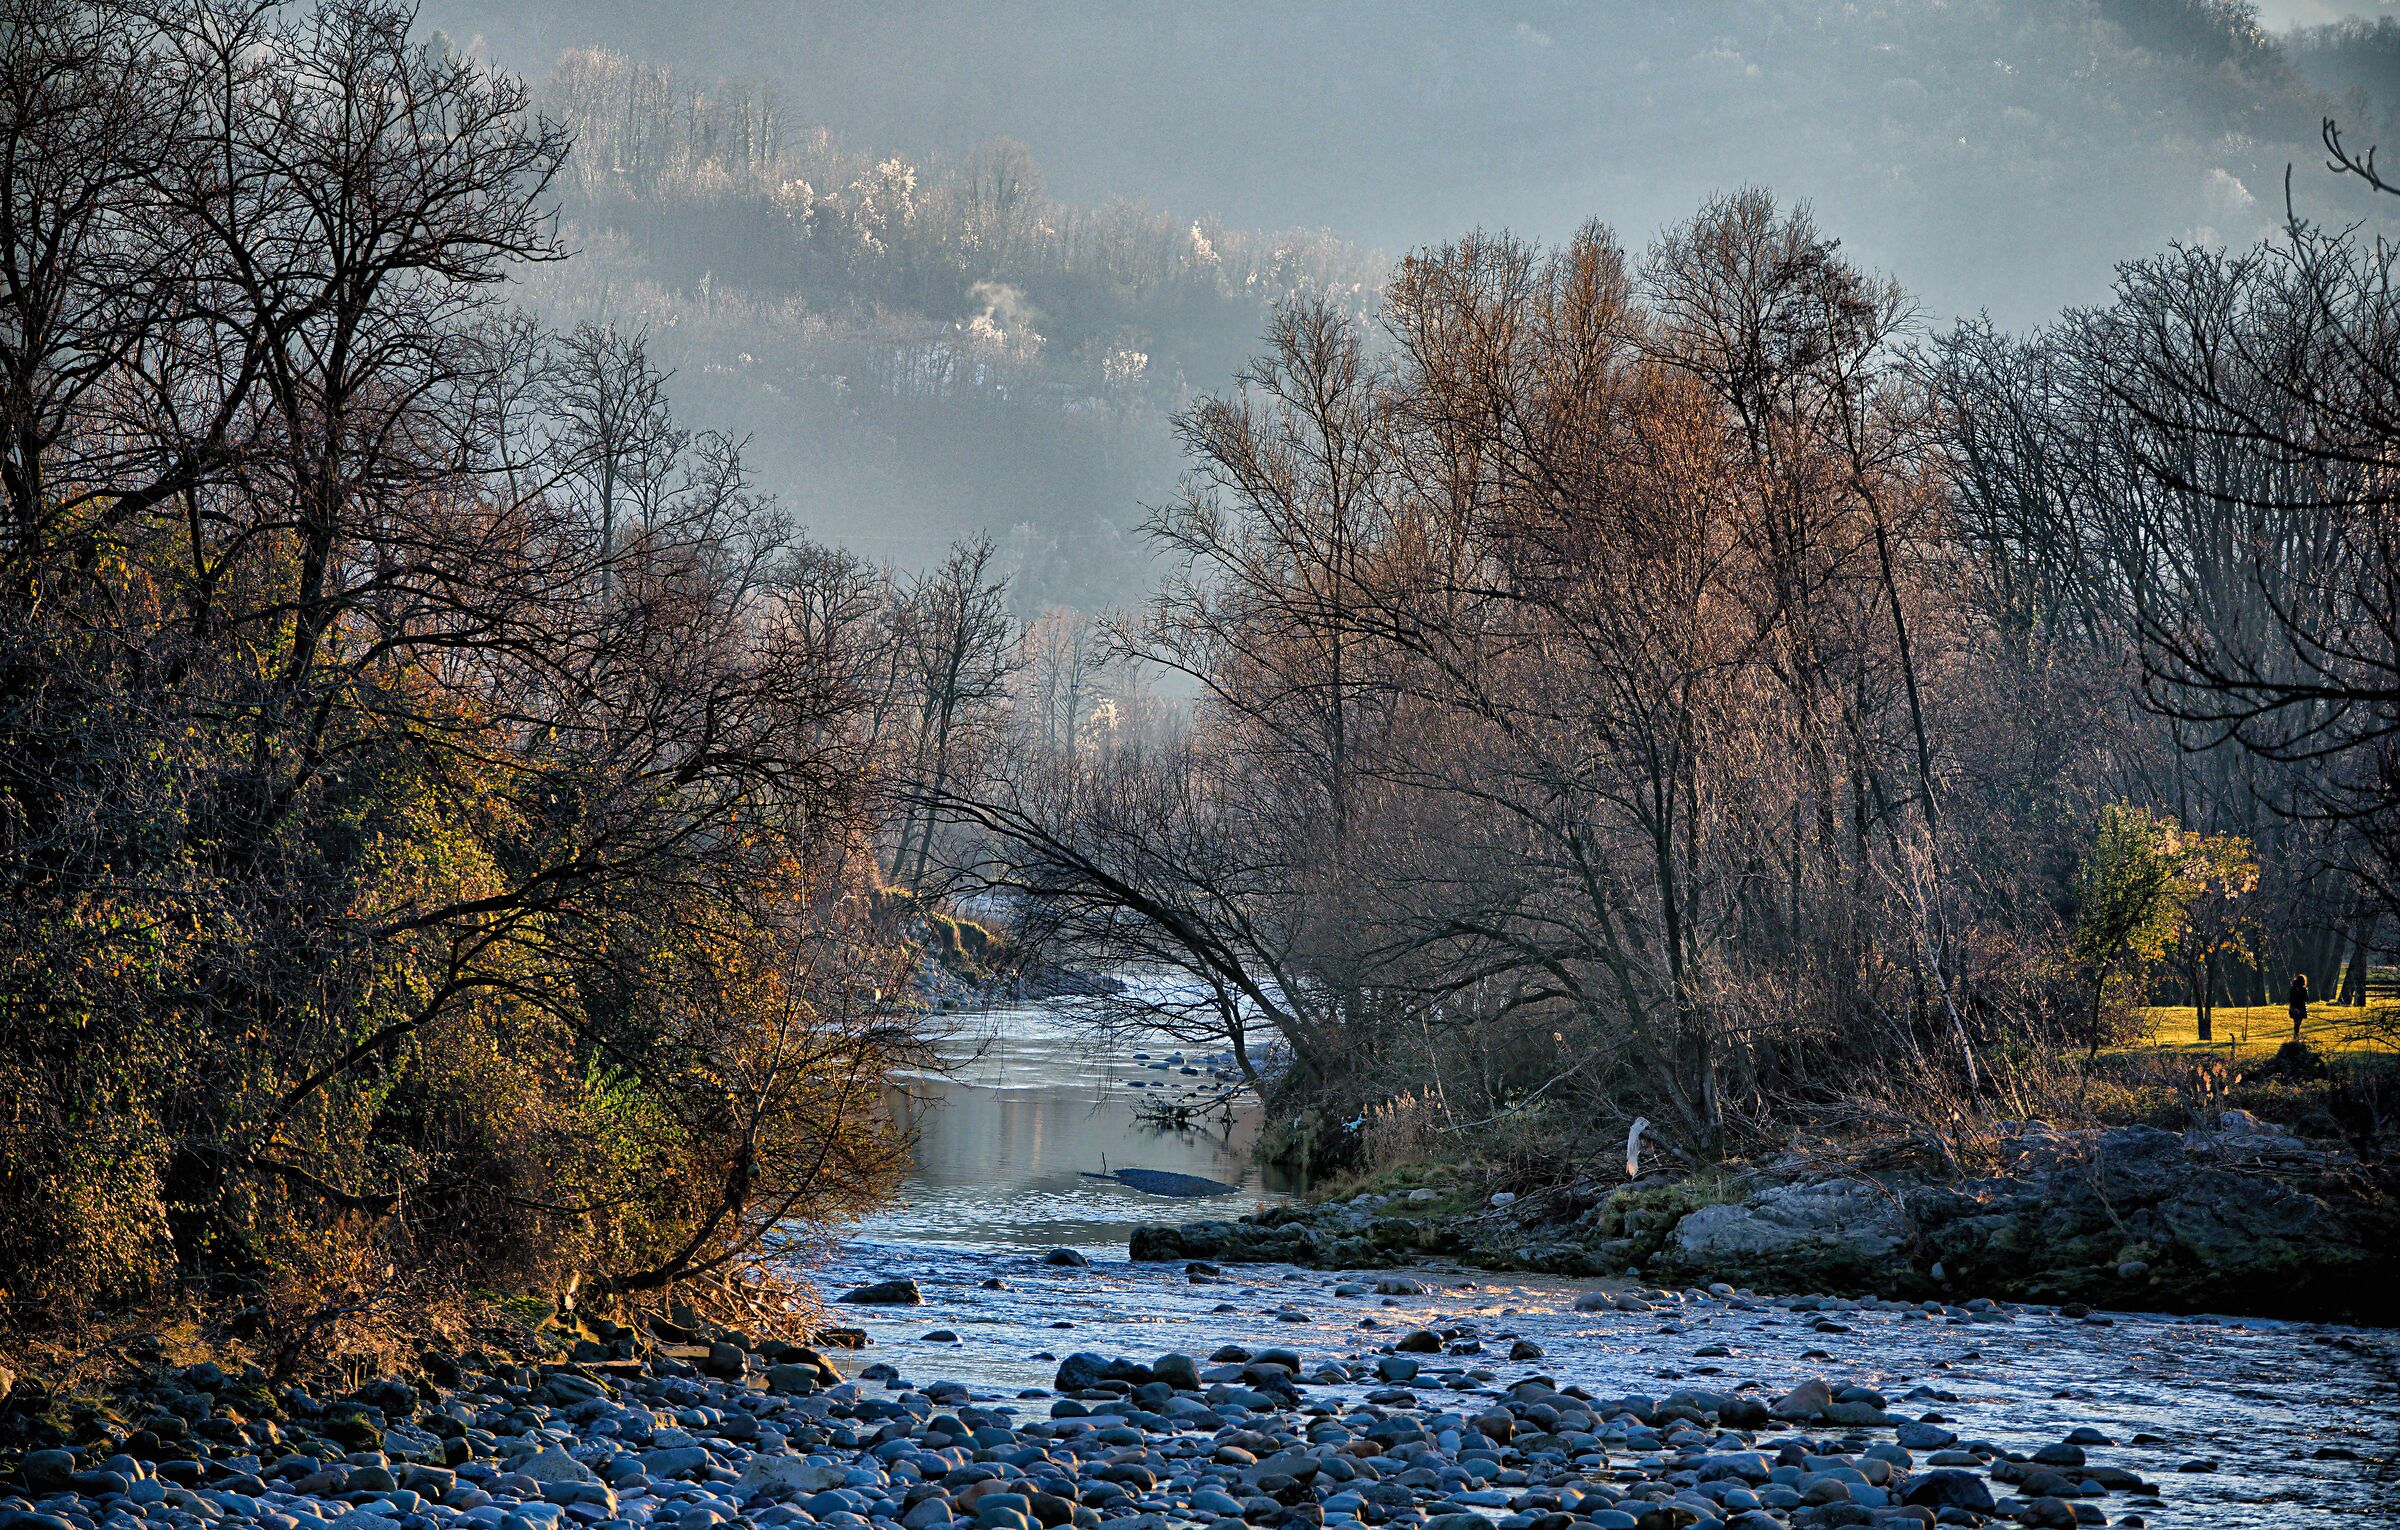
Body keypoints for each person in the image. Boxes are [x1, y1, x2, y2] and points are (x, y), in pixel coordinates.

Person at [2288, 971, 2310, 1041]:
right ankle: (2296, 1036)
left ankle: (2296, 1035)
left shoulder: (2292, 988)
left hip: (2294, 1007)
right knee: (2298, 1023)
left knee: (2296, 1022)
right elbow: (2306, 999)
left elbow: (2290, 998)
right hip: (2301, 1008)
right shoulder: (2303, 989)